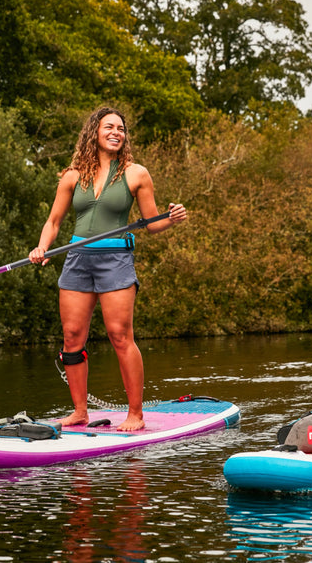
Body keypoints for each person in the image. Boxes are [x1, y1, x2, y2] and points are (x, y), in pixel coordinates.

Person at [29, 106, 187, 432]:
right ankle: (79, 412)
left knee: (119, 336)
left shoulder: (136, 174)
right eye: (109, 127)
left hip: (115, 260)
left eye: (121, 128)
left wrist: (170, 219)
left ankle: (135, 414)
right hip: (76, 260)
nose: (116, 132)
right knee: (72, 337)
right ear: (94, 133)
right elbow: (54, 221)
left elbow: (152, 223)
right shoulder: (72, 175)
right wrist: (43, 247)